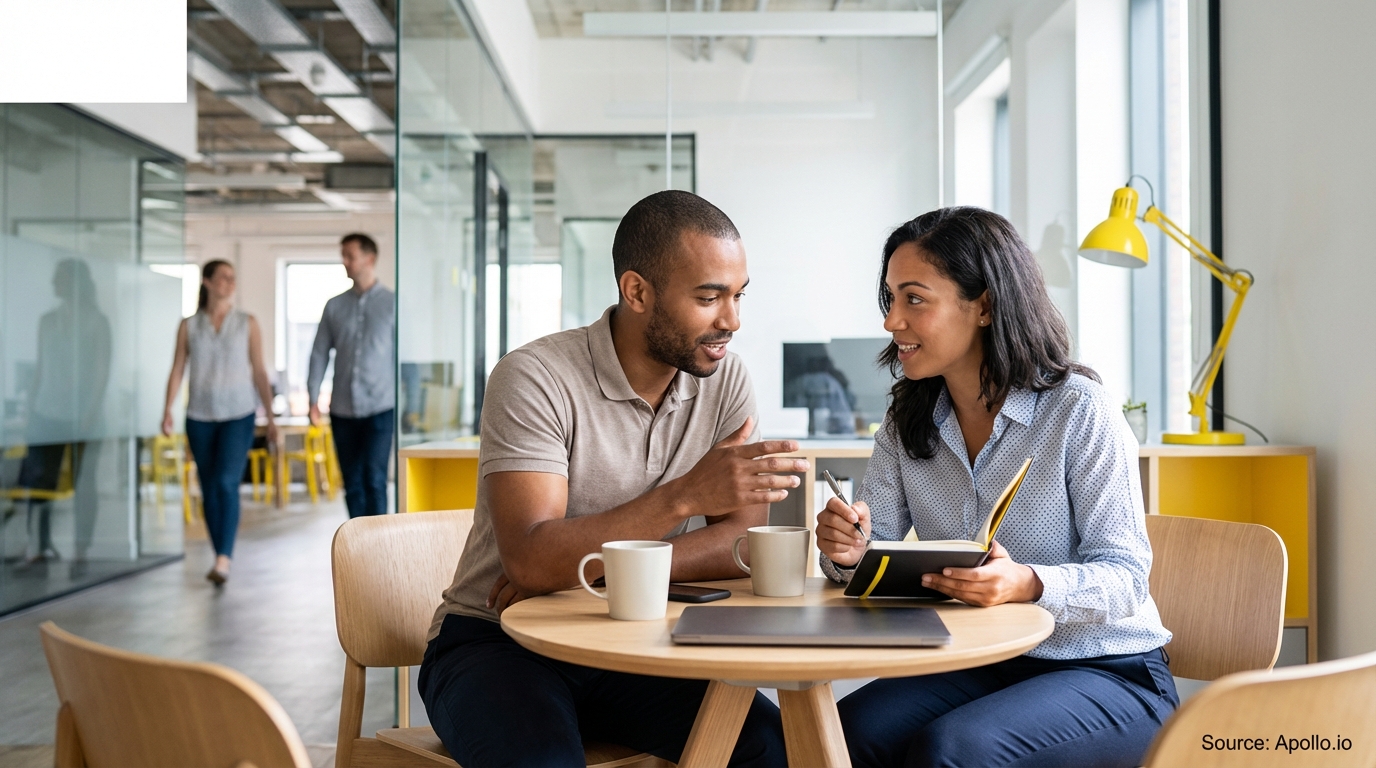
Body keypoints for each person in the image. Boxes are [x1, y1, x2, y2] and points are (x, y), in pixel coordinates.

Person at [419, 191, 794, 767]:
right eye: (708, 297)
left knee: (774, 751)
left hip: (637, 640)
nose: (732, 321)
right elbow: (528, 562)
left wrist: (577, 571)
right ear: (637, 291)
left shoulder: (723, 377)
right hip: (500, 641)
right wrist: (687, 497)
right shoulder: (535, 377)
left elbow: (739, 546)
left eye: (738, 295)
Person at [816, 207, 1178, 768]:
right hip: (979, 661)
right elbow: (873, 550)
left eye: (915, 299)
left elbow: (1127, 579)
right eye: (891, 299)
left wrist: (1027, 583)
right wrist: (846, 550)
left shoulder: (1078, 410)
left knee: (953, 751)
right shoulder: (907, 419)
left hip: (1107, 669)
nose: (892, 321)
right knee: (842, 734)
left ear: (983, 305)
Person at [161, 260, 278, 585]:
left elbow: (258, 371)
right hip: (199, 416)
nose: (230, 283)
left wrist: (269, 416)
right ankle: (218, 554)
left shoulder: (247, 323)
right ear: (208, 282)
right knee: (209, 487)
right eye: (223, 277)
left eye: (232, 277)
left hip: (238, 415)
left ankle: (224, 558)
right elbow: (177, 369)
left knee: (227, 483)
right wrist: (167, 409)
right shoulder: (189, 325)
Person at [15, 258, 111, 578]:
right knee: (40, 481)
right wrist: (30, 408)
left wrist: (90, 413)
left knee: (84, 484)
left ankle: (81, 550)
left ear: (75, 282)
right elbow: (40, 368)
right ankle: (39, 546)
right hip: (47, 412)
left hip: (84, 416)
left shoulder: (97, 322)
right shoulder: (47, 321)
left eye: (59, 277)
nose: (53, 282)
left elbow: (100, 371)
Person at [307, 233, 395, 518]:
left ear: (370, 259)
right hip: (343, 409)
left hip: (381, 407)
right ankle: (357, 548)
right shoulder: (334, 306)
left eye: (350, 256)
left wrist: (412, 405)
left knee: (374, 478)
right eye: (343, 255)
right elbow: (319, 353)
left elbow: (406, 360)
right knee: (352, 482)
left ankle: (380, 547)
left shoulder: (393, 304)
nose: (344, 262)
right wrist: (313, 398)